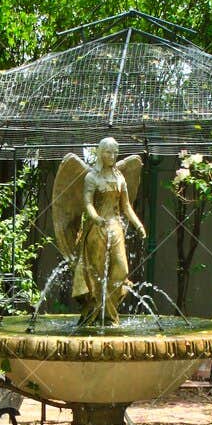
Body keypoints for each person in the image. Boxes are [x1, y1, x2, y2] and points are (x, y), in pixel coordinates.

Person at [71, 137, 146, 325]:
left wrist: (138, 224)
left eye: (115, 152)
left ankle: (109, 314)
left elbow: (126, 206)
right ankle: (98, 316)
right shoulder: (92, 177)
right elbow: (87, 202)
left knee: (121, 270)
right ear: (100, 153)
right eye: (108, 152)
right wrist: (96, 218)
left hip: (116, 228)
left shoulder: (119, 177)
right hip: (97, 229)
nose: (112, 156)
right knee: (97, 275)